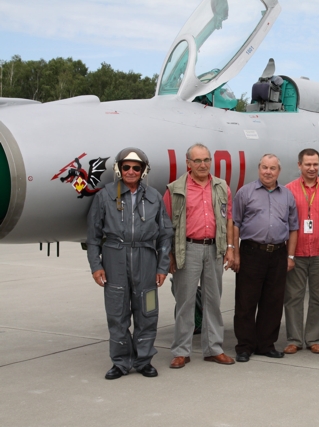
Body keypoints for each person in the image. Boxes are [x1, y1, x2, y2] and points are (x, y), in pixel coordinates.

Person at [86, 147, 172, 380]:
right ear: (119, 169)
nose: (131, 171)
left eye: (136, 167)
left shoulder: (154, 196)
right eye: (126, 167)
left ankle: (144, 360)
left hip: (146, 260)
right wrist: (96, 266)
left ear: (143, 170)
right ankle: (121, 362)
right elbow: (93, 237)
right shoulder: (105, 196)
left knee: (148, 312)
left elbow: (165, 235)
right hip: (114, 259)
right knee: (117, 314)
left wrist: (162, 267)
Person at [163, 143, 235, 369]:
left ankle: (214, 349)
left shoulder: (221, 186)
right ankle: (181, 351)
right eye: (198, 161)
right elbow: (166, 225)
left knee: (213, 301)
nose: (203, 165)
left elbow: (228, 219)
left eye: (206, 160)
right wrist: (169, 255)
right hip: (187, 249)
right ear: (188, 163)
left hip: (214, 248)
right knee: (185, 301)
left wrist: (230, 248)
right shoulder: (175, 189)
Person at [231, 154, 299, 362]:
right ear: (259, 168)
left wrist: (290, 256)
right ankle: (244, 346)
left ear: (279, 171)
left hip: (278, 254)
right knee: (246, 301)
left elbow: (293, 227)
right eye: (264, 167)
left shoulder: (287, 195)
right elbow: (235, 223)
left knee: (273, 302)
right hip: (251, 252)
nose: (268, 172)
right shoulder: (245, 192)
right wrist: (234, 252)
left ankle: (266, 344)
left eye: (272, 168)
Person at [283, 149, 319, 355]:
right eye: (308, 164)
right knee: (293, 297)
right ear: (299, 165)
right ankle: (294, 339)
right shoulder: (288, 190)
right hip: (296, 252)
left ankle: (313, 338)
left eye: (315, 164)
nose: (312, 168)